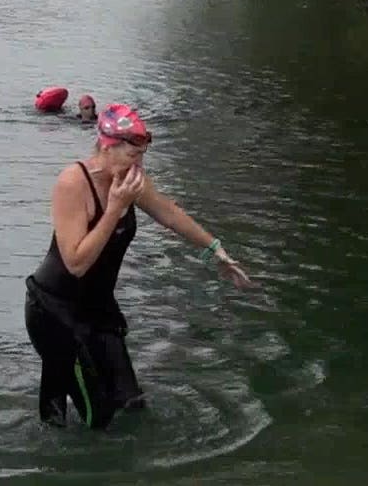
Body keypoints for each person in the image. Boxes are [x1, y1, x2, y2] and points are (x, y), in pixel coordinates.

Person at [24, 103, 253, 429]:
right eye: (133, 155)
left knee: (132, 404)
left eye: (142, 155)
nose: (139, 165)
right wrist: (115, 207)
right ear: (107, 146)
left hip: (98, 310)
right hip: (55, 311)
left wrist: (216, 250)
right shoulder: (73, 183)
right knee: (96, 417)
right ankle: (68, 468)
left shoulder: (131, 180)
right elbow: (76, 263)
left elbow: (170, 214)